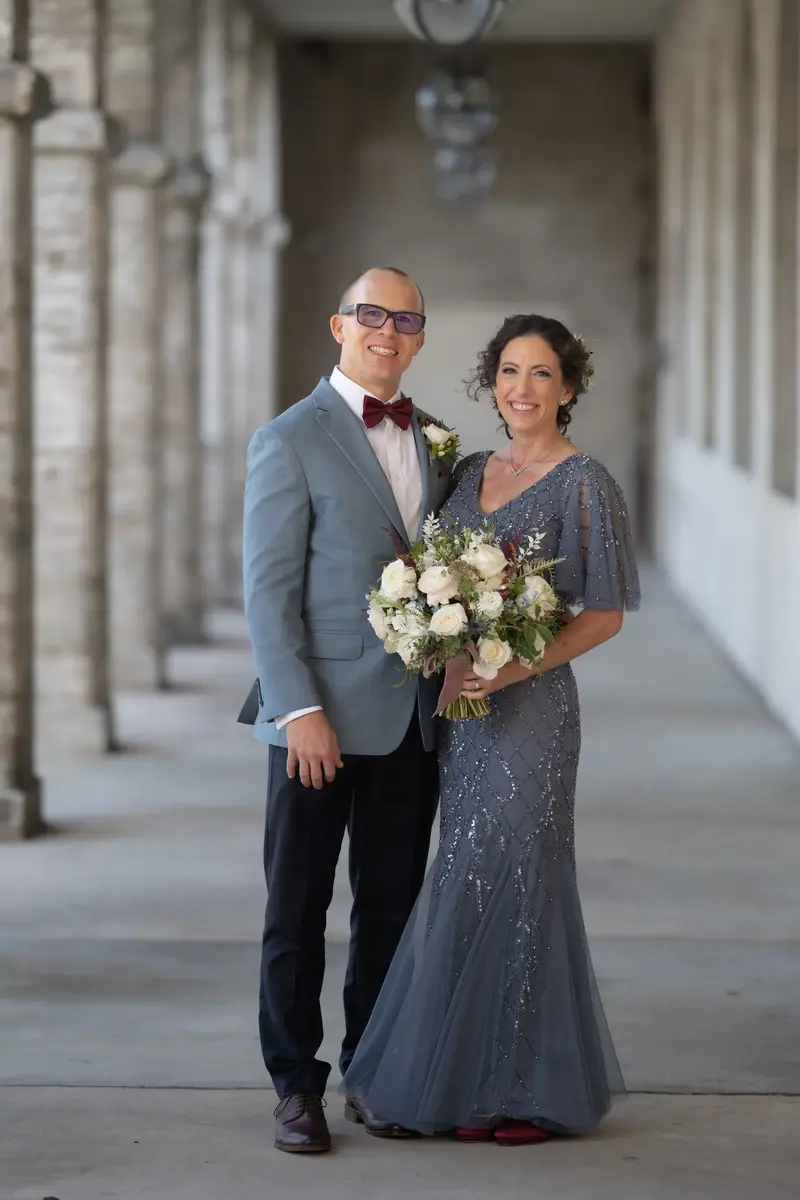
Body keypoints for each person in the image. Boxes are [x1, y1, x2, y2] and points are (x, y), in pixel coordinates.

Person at [342, 313, 641, 1145]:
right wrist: (436, 641)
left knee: (524, 876)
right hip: (462, 713)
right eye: (509, 371)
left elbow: (606, 614)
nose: (522, 388)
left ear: (568, 389)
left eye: (541, 374)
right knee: (467, 876)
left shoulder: (586, 483)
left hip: (532, 711)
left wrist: (515, 665)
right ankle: (472, 1082)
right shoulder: (468, 470)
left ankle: (528, 1089)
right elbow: (423, 576)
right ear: (491, 383)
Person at [240, 267, 456, 1154]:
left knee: (392, 907)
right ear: (340, 326)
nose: (387, 331)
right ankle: (296, 1084)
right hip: (318, 721)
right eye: (372, 315)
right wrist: (298, 711)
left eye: (405, 320)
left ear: (418, 337)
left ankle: (373, 1069)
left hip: (413, 719)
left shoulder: (438, 441)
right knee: (296, 909)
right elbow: (266, 591)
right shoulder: (289, 438)